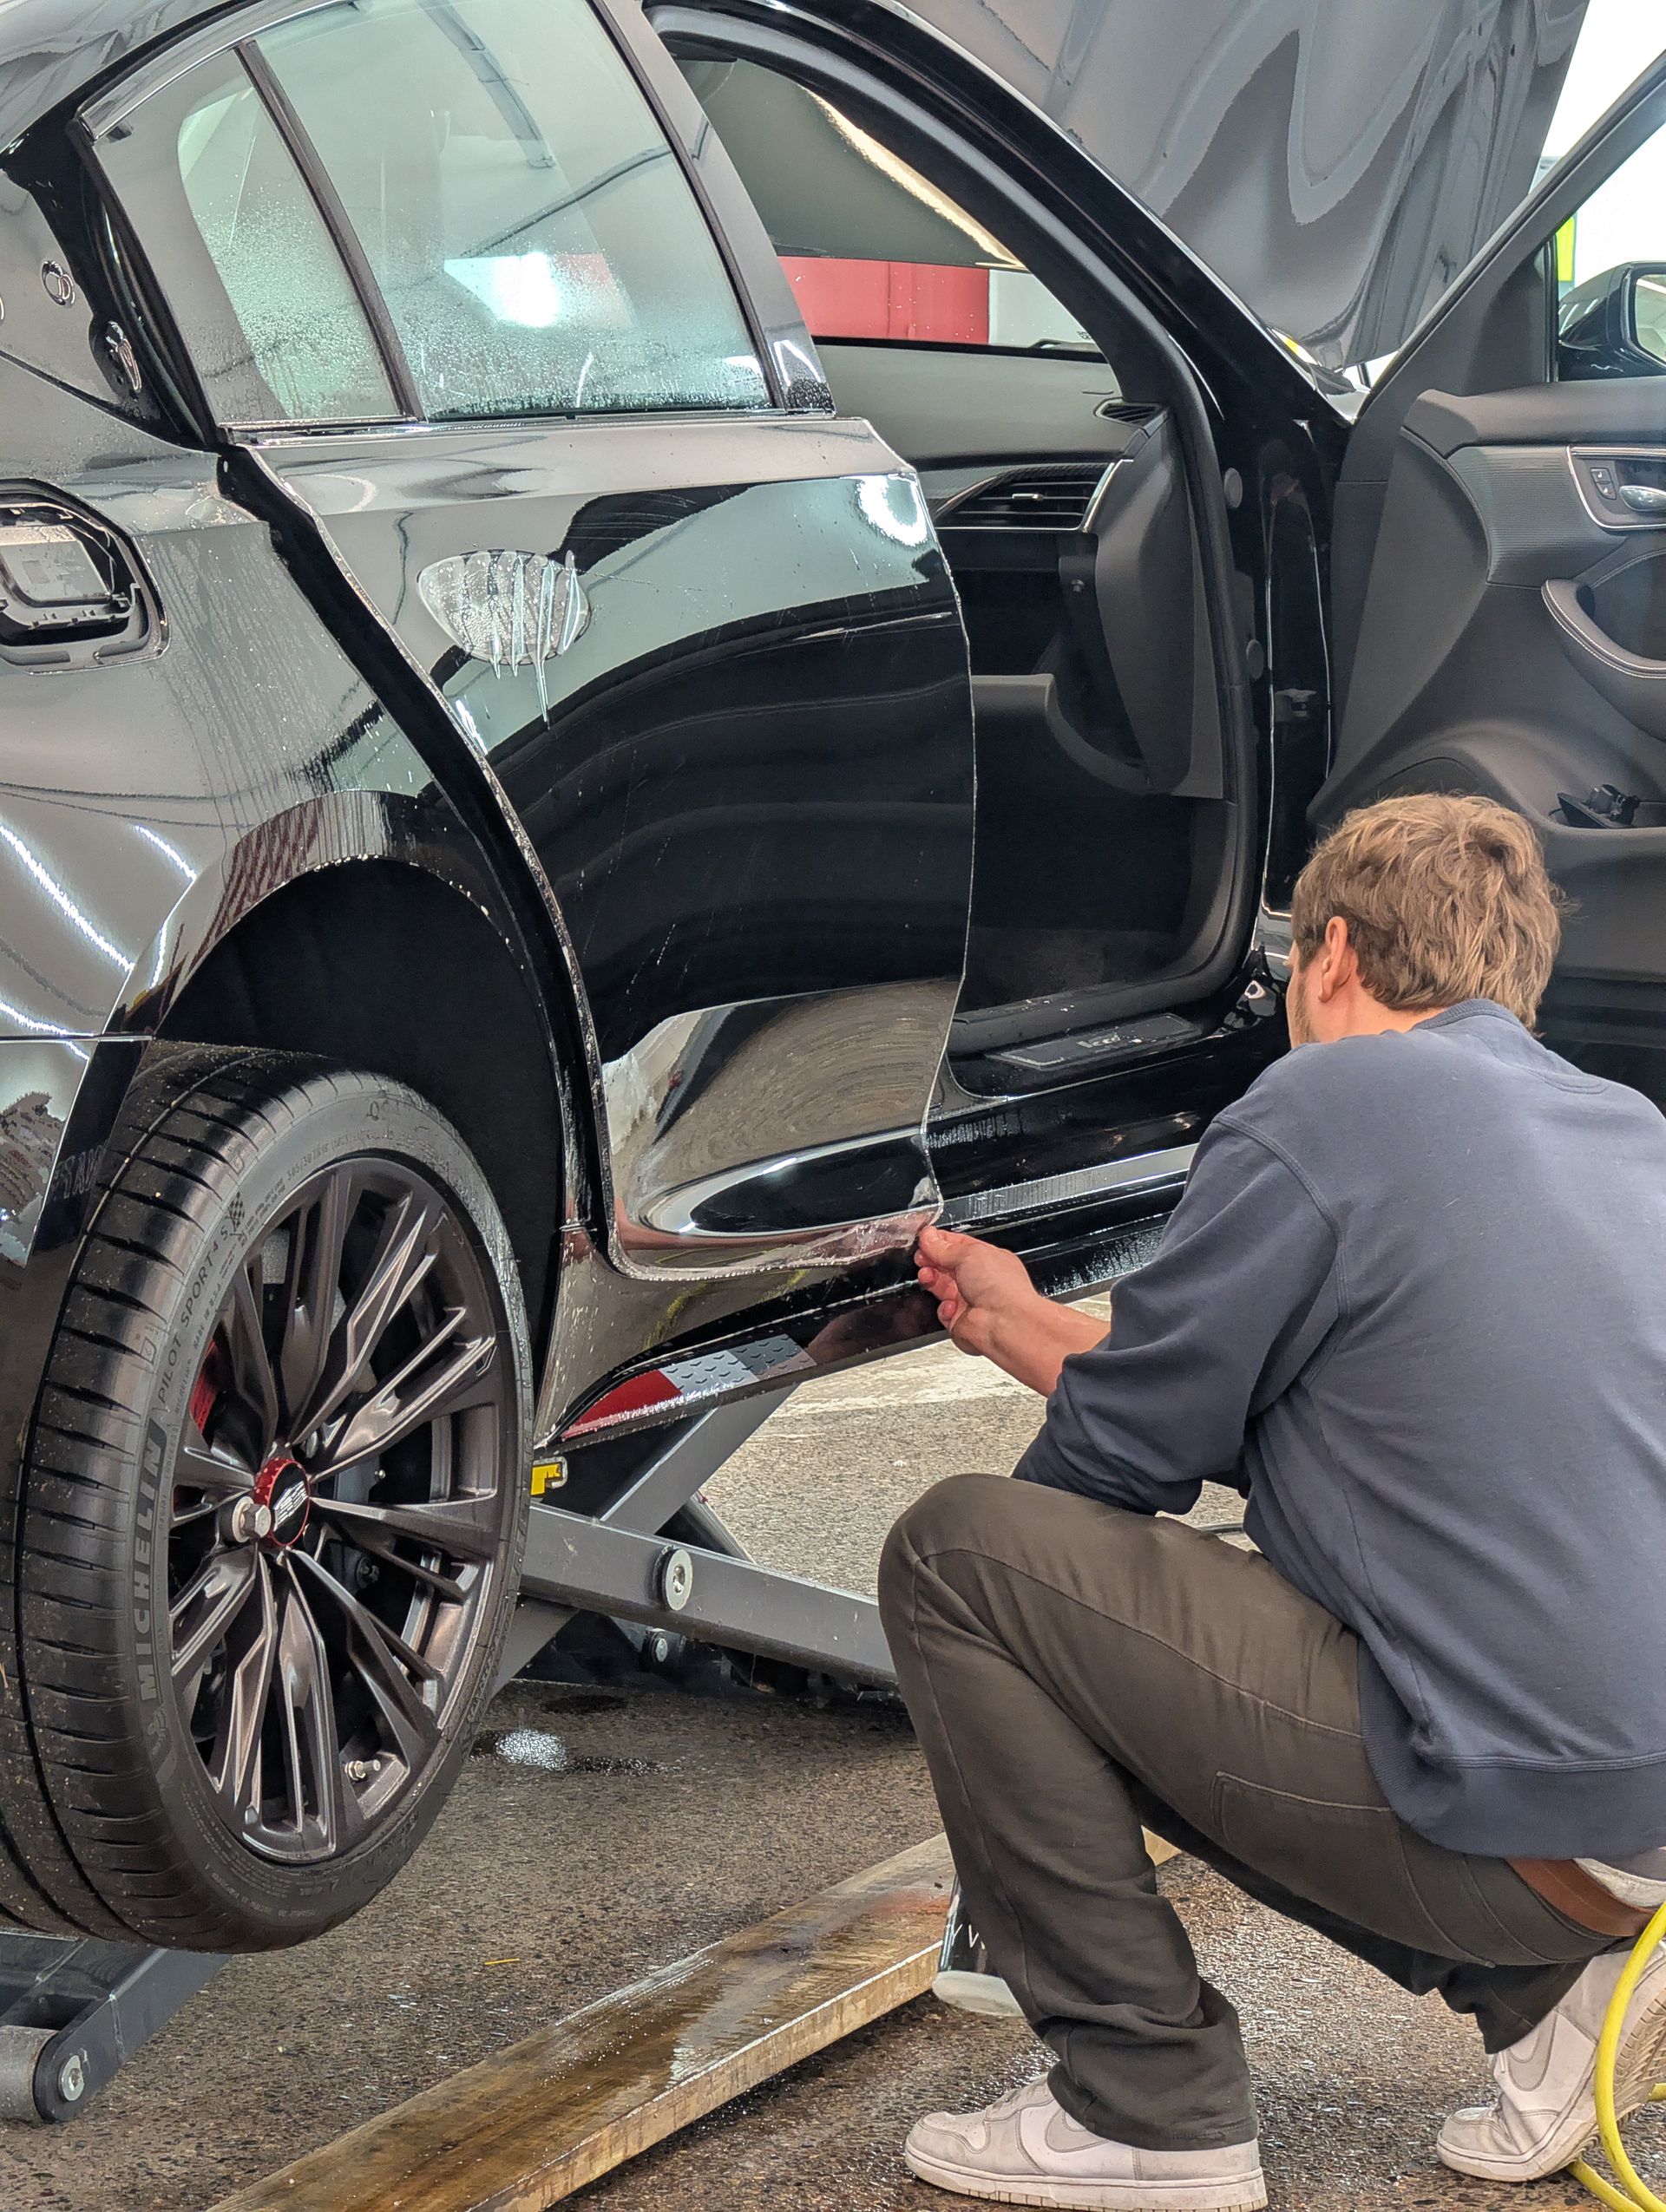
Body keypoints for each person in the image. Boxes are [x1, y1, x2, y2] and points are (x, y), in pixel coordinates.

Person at [880, 793, 1666, 2211]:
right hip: (1631, 1830)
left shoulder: (1322, 1103)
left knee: (959, 1560)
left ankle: (1147, 2105)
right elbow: (1347, 1406)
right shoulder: (1619, 1127)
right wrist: (1027, 1328)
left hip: (1509, 1831)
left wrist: (1022, 1741)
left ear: (1333, 953)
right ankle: (1550, 1990)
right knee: (1243, 1586)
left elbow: (1128, 1460)